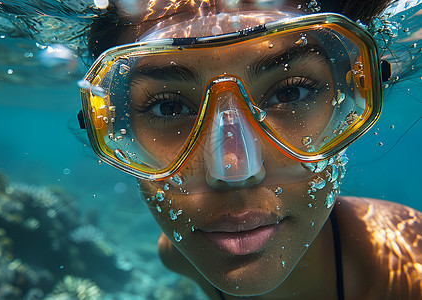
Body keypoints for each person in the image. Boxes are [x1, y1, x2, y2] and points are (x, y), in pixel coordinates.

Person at [77, 0, 422, 299]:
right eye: (168, 108)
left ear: (350, 103)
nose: (234, 171)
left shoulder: (413, 262)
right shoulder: (180, 256)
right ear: (118, 128)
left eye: (290, 94)